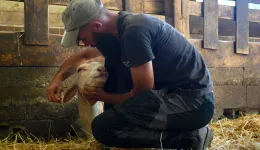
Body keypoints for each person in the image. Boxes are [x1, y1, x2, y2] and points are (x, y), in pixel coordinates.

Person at [47, 0, 215, 149]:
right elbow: (83, 56)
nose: (85, 43)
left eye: (83, 38)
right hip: (167, 96)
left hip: (194, 103)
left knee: (104, 129)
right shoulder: (117, 31)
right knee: (113, 62)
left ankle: (191, 138)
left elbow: (141, 95)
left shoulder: (134, 33)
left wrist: (102, 96)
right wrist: (58, 78)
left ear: (97, 26)